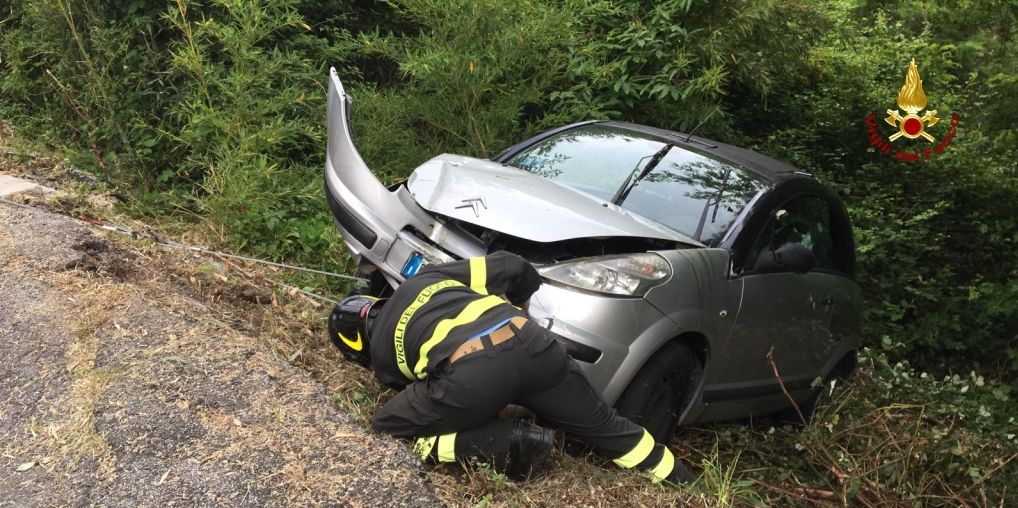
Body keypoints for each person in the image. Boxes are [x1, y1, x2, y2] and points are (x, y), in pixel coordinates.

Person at [328, 251, 695, 484]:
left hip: (475, 374)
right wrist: (522, 309)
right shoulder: (424, 280)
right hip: (536, 344)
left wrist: (489, 405)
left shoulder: (381, 358)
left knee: (387, 428)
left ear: (356, 346)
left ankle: (512, 441)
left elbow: (428, 405)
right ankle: (683, 482)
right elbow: (514, 265)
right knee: (606, 426)